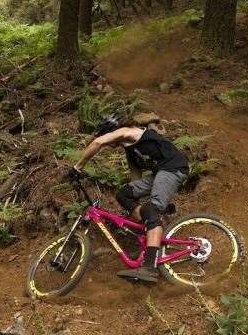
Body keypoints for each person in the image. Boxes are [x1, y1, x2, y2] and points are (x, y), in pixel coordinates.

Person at [70, 114, 189, 282]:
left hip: (173, 168)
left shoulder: (128, 131)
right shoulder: (130, 150)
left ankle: (149, 267)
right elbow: (135, 181)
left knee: (152, 210)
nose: (109, 144)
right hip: (160, 173)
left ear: (111, 131)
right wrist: (139, 208)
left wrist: (78, 167)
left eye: (106, 135)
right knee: (124, 193)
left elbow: (98, 143)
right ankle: (149, 228)